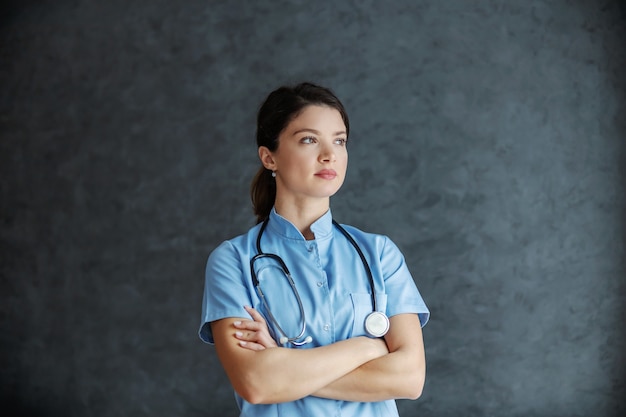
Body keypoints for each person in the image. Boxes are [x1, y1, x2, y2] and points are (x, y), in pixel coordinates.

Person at [199, 82, 430, 416]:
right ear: (269, 157)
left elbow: (409, 378)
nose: (329, 154)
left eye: (339, 140)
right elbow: (256, 383)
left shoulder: (380, 254)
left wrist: (284, 364)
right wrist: (368, 347)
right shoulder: (232, 261)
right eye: (309, 139)